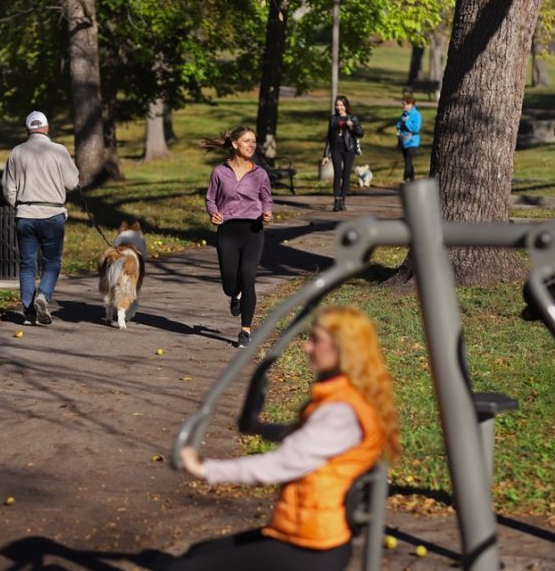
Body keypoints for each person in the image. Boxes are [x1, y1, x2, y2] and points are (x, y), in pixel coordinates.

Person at [167, 306, 402, 571]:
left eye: (315, 340)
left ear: (342, 348)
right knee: (198, 553)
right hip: (301, 533)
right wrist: (259, 428)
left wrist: (205, 468)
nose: (307, 347)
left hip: (311, 548)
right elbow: (305, 440)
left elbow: (282, 464)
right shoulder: (342, 397)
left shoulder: (341, 412)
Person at [2, 110, 80, 325]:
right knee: (52, 262)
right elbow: (73, 183)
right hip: (52, 214)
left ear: (28, 130)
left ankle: (28, 314)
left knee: (27, 265)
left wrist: (19, 205)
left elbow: (8, 189)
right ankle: (43, 296)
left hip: (25, 215)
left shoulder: (16, 152)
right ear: (46, 128)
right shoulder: (59, 150)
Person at [203, 126, 273, 349]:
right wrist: (213, 213)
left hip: (253, 230)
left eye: (254, 141)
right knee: (230, 284)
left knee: (248, 277)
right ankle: (235, 295)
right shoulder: (219, 172)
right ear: (234, 144)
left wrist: (267, 212)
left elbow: (266, 198)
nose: (252, 145)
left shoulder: (260, 173)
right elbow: (210, 199)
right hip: (228, 231)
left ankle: (245, 330)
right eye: (247, 141)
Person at [322, 95, 364, 212]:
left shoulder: (353, 118)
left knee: (346, 174)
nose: (339, 107)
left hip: (349, 149)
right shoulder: (333, 119)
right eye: (337, 105)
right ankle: (336, 200)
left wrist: (352, 127)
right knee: (337, 173)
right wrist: (325, 155)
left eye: (341, 105)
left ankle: (343, 200)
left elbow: (361, 133)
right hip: (336, 149)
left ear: (346, 106)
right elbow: (329, 137)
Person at [397, 94, 422, 184]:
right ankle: (412, 180)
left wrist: (406, 123)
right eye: (402, 104)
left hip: (413, 141)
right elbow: (399, 124)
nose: (403, 106)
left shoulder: (416, 114)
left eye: (405, 104)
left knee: (408, 160)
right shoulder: (404, 114)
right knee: (408, 162)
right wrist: (399, 125)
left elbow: (416, 128)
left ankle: (405, 179)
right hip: (404, 141)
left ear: (411, 105)